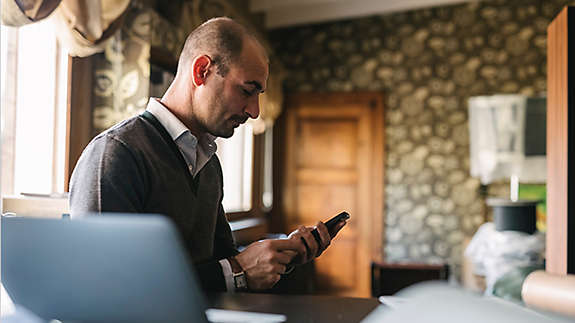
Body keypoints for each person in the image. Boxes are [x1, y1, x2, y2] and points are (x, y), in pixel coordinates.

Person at [69, 17, 346, 292]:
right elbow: (106, 286)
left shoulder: (209, 164)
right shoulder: (116, 153)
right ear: (201, 71)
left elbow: (222, 261)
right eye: (247, 91)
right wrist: (238, 271)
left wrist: (279, 256)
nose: (255, 111)